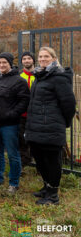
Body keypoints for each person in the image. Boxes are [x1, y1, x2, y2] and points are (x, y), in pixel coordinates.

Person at [25, 47, 75, 205]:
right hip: (36, 128)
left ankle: (53, 195)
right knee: (40, 160)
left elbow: (69, 104)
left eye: (46, 56)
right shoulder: (40, 75)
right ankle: (47, 187)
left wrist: (63, 123)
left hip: (52, 128)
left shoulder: (59, 77)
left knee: (52, 161)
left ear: (54, 58)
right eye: (40, 56)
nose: (43, 59)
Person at [0, 52, 30, 195]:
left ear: (10, 63)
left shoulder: (18, 81)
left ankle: (13, 183)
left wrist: (12, 114)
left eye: (5, 62)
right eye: (0, 62)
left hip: (10, 124)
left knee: (12, 153)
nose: (2, 65)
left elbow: (24, 101)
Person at [19, 52, 36, 169]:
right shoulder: (19, 77)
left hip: (36, 114)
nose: (26, 61)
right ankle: (24, 162)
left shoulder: (39, 76)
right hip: (22, 114)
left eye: (29, 58)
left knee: (36, 139)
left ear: (33, 60)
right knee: (21, 139)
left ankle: (39, 163)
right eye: (24, 59)